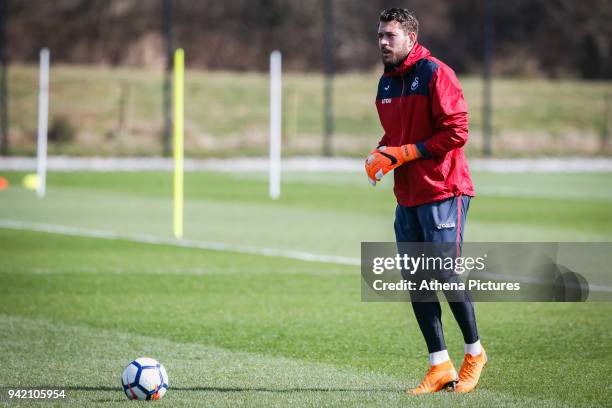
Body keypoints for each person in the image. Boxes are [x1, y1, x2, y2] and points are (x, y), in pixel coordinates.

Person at [365, 8, 487, 394]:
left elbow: (457, 132)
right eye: (380, 35)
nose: (383, 42)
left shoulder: (436, 73)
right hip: (409, 195)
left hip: (444, 189)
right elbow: (397, 135)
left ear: (411, 38)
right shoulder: (386, 82)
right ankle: (439, 366)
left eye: (391, 36)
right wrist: (381, 153)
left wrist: (404, 153)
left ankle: (474, 353)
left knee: (446, 273)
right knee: (417, 279)